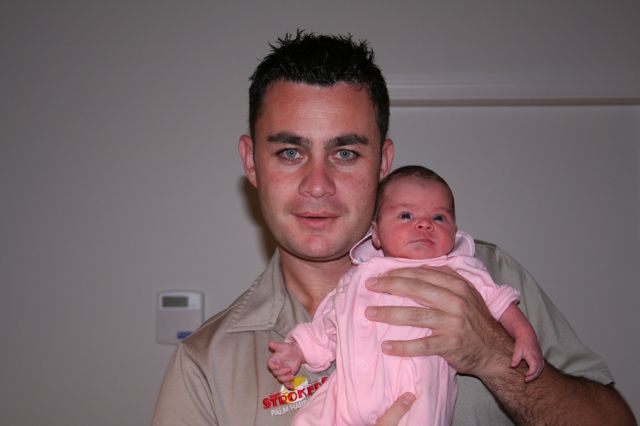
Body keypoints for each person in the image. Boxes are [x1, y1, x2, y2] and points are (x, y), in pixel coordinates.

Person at [152, 31, 635, 425]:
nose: (317, 185)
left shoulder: (485, 272)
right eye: (290, 152)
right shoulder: (207, 365)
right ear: (251, 162)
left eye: (345, 153)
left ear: (382, 163)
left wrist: (494, 354)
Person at [268, 165, 543, 425]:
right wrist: (297, 350)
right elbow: (331, 322)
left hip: (417, 396)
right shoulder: (358, 278)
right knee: (308, 419)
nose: (424, 224)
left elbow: (499, 301)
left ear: (454, 231)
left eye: (439, 217)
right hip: (348, 395)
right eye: (406, 216)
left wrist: (523, 334)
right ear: (376, 234)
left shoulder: (458, 270)